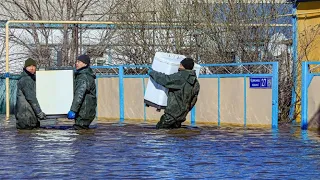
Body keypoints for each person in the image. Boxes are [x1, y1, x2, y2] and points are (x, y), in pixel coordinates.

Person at [148, 57, 200, 129]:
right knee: (175, 136)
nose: (179, 66)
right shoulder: (195, 82)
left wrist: (152, 73)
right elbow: (194, 100)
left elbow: (165, 79)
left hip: (171, 115)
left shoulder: (181, 77)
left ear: (183, 66)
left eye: (180, 64)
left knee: (159, 133)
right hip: (182, 116)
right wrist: (185, 110)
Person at [15, 58, 46, 129]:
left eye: (33, 66)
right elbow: (31, 99)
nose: (32, 68)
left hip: (26, 118)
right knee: (28, 137)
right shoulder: (26, 80)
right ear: (25, 68)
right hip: (27, 119)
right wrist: (40, 113)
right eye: (29, 66)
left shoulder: (30, 79)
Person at [67, 54, 97, 130]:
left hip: (84, 112)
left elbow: (79, 94)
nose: (76, 63)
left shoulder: (83, 77)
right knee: (85, 135)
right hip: (87, 111)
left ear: (85, 64)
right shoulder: (85, 75)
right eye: (76, 61)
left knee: (80, 134)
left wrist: (73, 110)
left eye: (79, 62)